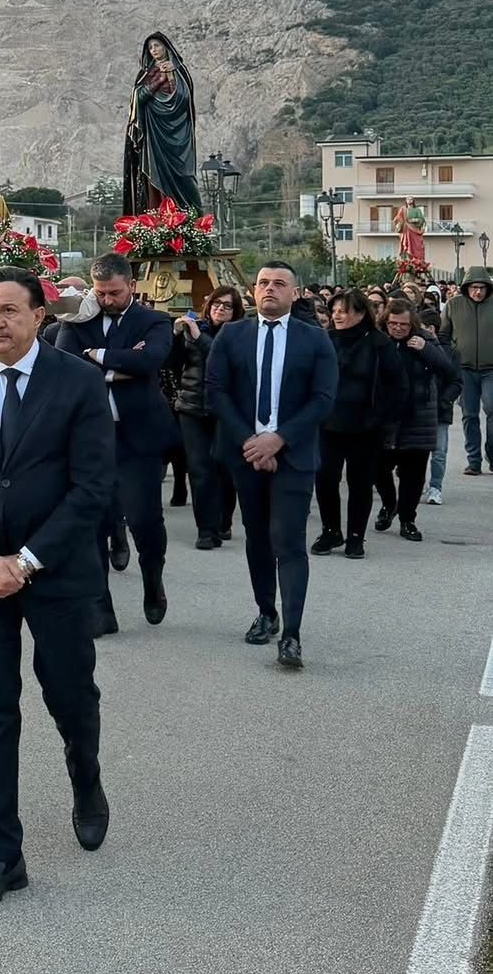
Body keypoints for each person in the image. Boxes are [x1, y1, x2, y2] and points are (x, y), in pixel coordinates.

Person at [0, 266, 116, 909]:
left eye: (9, 310)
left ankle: (84, 777)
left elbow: (92, 487)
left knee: (68, 694)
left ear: (41, 316)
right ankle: (3, 852)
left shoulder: (79, 383)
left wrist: (28, 560)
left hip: (56, 572)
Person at [205, 260, 337, 670]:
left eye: (279, 284)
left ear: (294, 294)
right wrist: (251, 441)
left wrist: (278, 439)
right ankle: (266, 611)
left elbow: (323, 398)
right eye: (263, 282)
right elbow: (217, 390)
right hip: (245, 454)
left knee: (289, 541)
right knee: (257, 536)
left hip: (292, 455)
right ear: (253, 290)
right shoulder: (232, 335)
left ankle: (292, 635)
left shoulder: (314, 340)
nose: (269, 289)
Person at [55, 254, 175, 633]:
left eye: (115, 293)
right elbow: (64, 366)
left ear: (132, 286)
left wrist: (97, 357)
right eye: (101, 293)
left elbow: (151, 360)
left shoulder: (153, 321)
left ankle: (153, 581)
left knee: (144, 521)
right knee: (93, 523)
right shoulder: (79, 320)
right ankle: (100, 608)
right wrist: (119, 365)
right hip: (90, 438)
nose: (107, 300)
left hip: (138, 438)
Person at [311, 290, 403, 561]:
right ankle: (331, 530)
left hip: (366, 425)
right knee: (325, 477)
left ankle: (355, 536)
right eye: (334, 310)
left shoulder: (379, 343)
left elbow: (397, 384)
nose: (337, 315)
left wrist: (387, 420)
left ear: (361, 313)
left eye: (344, 310)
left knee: (360, 483)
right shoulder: (325, 340)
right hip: (328, 423)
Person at [372, 300, 458, 542]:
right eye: (393, 323)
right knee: (378, 467)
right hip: (386, 417)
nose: (398, 328)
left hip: (418, 416)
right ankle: (389, 504)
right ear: (385, 321)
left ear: (413, 324)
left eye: (403, 324)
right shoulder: (378, 341)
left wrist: (425, 349)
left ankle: (407, 519)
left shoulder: (425, 341)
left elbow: (448, 371)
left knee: (413, 474)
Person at [168, 286, 243, 549]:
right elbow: (172, 363)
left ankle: (223, 521)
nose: (220, 309)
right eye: (216, 303)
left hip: (226, 411)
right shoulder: (193, 329)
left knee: (225, 469)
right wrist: (176, 336)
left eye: (227, 305)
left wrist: (198, 337)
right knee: (199, 470)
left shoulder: (240, 333)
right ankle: (206, 530)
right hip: (192, 408)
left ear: (236, 311)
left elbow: (225, 361)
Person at [122, 32, 202, 217]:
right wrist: (160, 79)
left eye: (157, 45)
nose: (154, 50)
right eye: (150, 48)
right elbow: (138, 98)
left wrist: (171, 76)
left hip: (177, 134)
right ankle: (157, 220)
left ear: (166, 46)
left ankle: (192, 219)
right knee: (153, 175)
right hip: (153, 133)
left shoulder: (180, 71)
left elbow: (184, 101)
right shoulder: (145, 75)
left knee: (183, 175)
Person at [447, 267, 493, 475]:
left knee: (492, 411)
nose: (478, 292)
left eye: (482, 287)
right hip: (464, 370)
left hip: (491, 370)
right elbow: (442, 335)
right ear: (467, 288)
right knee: (469, 415)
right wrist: (451, 360)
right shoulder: (453, 305)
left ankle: (492, 455)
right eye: (474, 287)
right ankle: (473, 461)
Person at [420, 304, 458, 507]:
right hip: (419, 408)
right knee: (417, 452)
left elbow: (456, 382)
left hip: (441, 410)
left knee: (439, 452)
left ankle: (436, 487)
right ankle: (419, 485)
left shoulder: (450, 353)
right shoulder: (414, 347)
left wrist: (444, 400)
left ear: (431, 329)